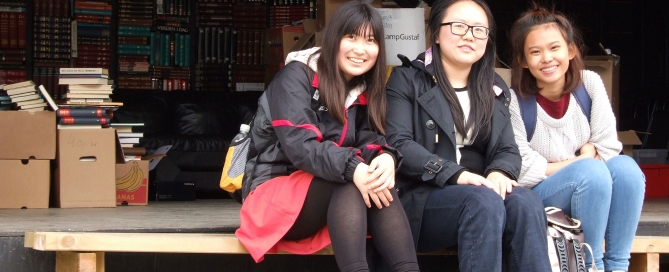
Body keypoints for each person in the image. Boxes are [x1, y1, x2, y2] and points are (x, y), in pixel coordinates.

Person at [235, 2, 420, 271]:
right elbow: (302, 147)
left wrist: (386, 158)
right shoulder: (295, 76)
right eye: (351, 37)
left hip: (331, 186)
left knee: (377, 182)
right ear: (334, 38)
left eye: (370, 40)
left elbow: (371, 140)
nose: (360, 49)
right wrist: (353, 168)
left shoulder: (365, 87)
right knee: (350, 181)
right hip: (274, 191)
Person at [384, 0, 550, 271]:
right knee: (482, 200)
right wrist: (454, 174)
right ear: (437, 33)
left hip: (483, 200)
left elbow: (508, 149)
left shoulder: (494, 88)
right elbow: (399, 144)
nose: (469, 35)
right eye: (458, 26)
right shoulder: (407, 80)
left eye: (479, 30)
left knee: (526, 202)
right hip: (423, 200)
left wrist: (500, 172)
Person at [507, 5, 645, 272]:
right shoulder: (515, 101)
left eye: (554, 48)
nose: (546, 58)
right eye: (535, 52)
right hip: (542, 195)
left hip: (591, 187)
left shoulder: (589, 83)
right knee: (590, 170)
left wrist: (577, 161)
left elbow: (608, 146)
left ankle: (618, 266)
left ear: (571, 51)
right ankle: (589, 265)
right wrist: (582, 159)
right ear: (523, 60)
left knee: (626, 169)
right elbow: (522, 170)